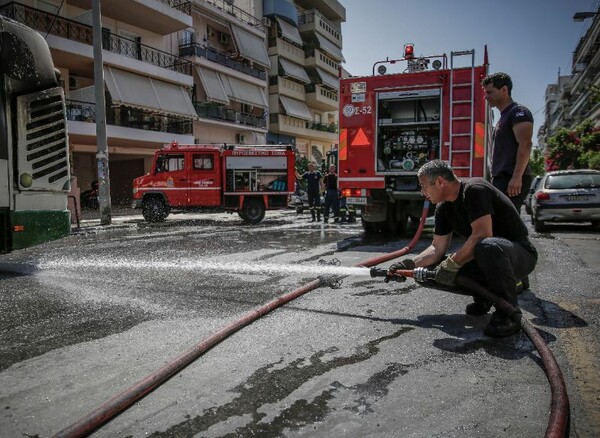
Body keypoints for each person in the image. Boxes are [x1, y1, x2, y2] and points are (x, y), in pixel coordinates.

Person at [389, 160, 538, 337]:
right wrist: (409, 265)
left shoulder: (475, 190)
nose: (422, 192)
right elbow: (437, 248)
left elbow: (482, 235)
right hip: (488, 258)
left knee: (486, 246)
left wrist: (452, 264)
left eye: (423, 186)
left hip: (518, 255)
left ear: (439, 182)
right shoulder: (443, 208)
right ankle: (485, 297)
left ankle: (508, 312)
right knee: (425, 272)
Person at [482, 72, 534, 212]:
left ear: (504, 90)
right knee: (502, 223)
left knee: (505, 223)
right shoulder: (504, 116)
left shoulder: (518, 112)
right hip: (501, 179)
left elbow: (526, 144)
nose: (486, 97)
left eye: (490, 92)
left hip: (511, 178)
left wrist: (516, 178)